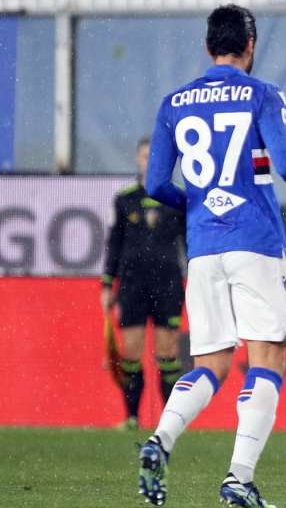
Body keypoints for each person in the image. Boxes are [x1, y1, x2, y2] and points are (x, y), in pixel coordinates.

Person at [137, 5, 286, 507]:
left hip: (203, 250)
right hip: (256, 243)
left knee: (210, 364)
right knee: (267, 360)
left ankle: (160, 438)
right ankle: (237, 481)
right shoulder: (262, 94)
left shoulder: (173, 102)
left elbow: (156, 183)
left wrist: (199, 203)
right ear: (251, 45)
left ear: (207, 47)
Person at [101, 136, 185, 431]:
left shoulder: (178, 199)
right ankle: (132, 418)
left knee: (167, 353)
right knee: (132, 353)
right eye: (146, 155)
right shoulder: (124, 199)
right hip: (133, 285)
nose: (150, 160)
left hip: (168, 284)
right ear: (138, 159)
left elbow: (191, 244)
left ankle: (171, 422)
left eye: (156, 155)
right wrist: (107, 284)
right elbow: (114, 245)